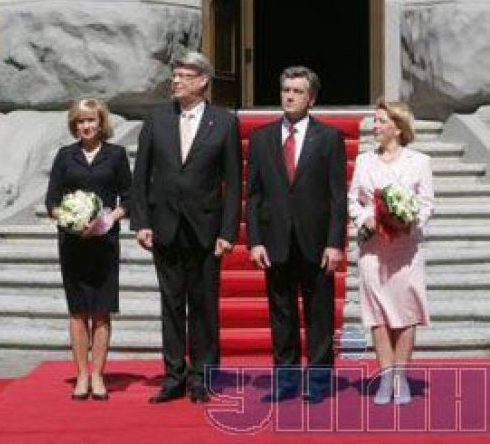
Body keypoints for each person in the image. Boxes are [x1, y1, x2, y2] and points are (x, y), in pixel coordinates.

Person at [130, 52, 242, 404]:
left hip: (205, 228)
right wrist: (141, 222)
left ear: (203, 80)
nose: (175, 81)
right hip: (165, 225)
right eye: (174, 74)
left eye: (184, 75)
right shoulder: (157, 119)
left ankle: (203, 377)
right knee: (172, 304)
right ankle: (174, 375)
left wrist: (227, 232)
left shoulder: (224, 122)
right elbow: (141, 175)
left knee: (204, 306)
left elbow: (233, 182)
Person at [246, 65, 347, 404]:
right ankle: (285, 380)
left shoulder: (329, 138)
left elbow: (337, 196)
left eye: (298, 91)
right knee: (281, 314)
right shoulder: (261, 138)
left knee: (319, 315)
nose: (289, 96)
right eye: (286, 90)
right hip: (275, 240)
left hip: (316, 242)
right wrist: (255, 240)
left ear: (311, 98)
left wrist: (335, 243)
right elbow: (253, 195)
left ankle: (318, 382)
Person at [45, 97, 131, 401]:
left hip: (104, 243)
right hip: (73, 243)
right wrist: (71, 220)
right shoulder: (65, 156)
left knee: (102, 311)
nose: (86, 126)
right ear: (74, 125)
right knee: (79, 311)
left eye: (91, 120)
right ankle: (82, 374)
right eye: (80, 121)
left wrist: (107, 220)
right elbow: (51, 201)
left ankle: (98, 374)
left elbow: (129, 197)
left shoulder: (116, 155)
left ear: (101, 122)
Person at [348, 100, 433, 405]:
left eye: (381, 121)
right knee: (378, 314)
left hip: (406, 249)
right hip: (373, 248)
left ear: (397, 127)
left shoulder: (419, 161)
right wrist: (365, 218)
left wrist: (410, 221)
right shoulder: (364, 161)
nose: (375, 126)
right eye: (375, 120)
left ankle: (401, 377)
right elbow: (353, 200)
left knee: (406, 312)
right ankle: (385, 377)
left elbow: (426, 203)